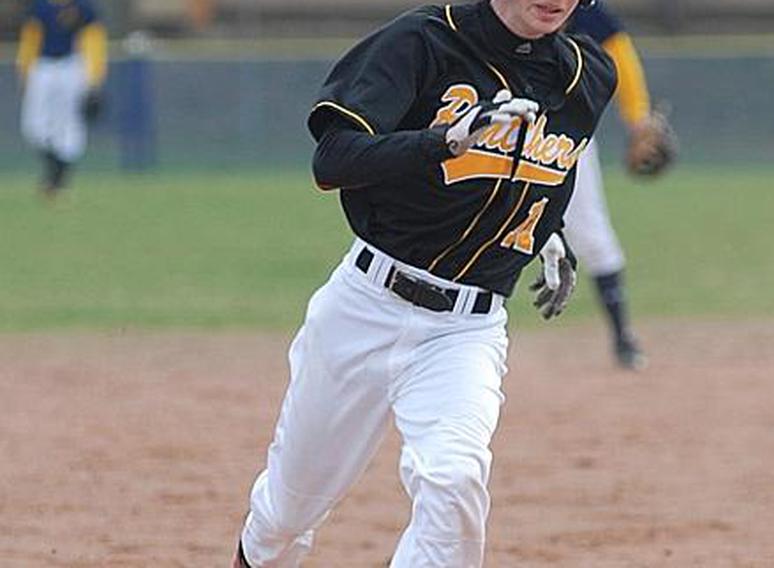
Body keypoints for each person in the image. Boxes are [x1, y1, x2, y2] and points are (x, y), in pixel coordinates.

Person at [232, 0, 617, 566]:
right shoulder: (423, 41)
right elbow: (333, 160)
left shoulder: (587, 76)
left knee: (455, 477)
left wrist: (546, 231)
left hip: (465, 330)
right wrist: (444, 142)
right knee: (287, 515)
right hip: (364, 307)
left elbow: (553, 167)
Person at [564, 1, 677, 370]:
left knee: (593, 237)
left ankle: (622, 336)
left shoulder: (580, 10)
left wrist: (638, 117)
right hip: (490, 133)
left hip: (562, 137)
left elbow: (615, 45)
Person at [16, 0, 107, 199]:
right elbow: (29, 40)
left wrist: (94, 81)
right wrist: (23, 72)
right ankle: (55, 173)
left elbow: (94, 41)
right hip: (43, 66)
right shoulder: (39, 6)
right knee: (33, 126)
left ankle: (58, 181)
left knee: (70, 125)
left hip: (72, 66)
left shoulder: (84, 7)